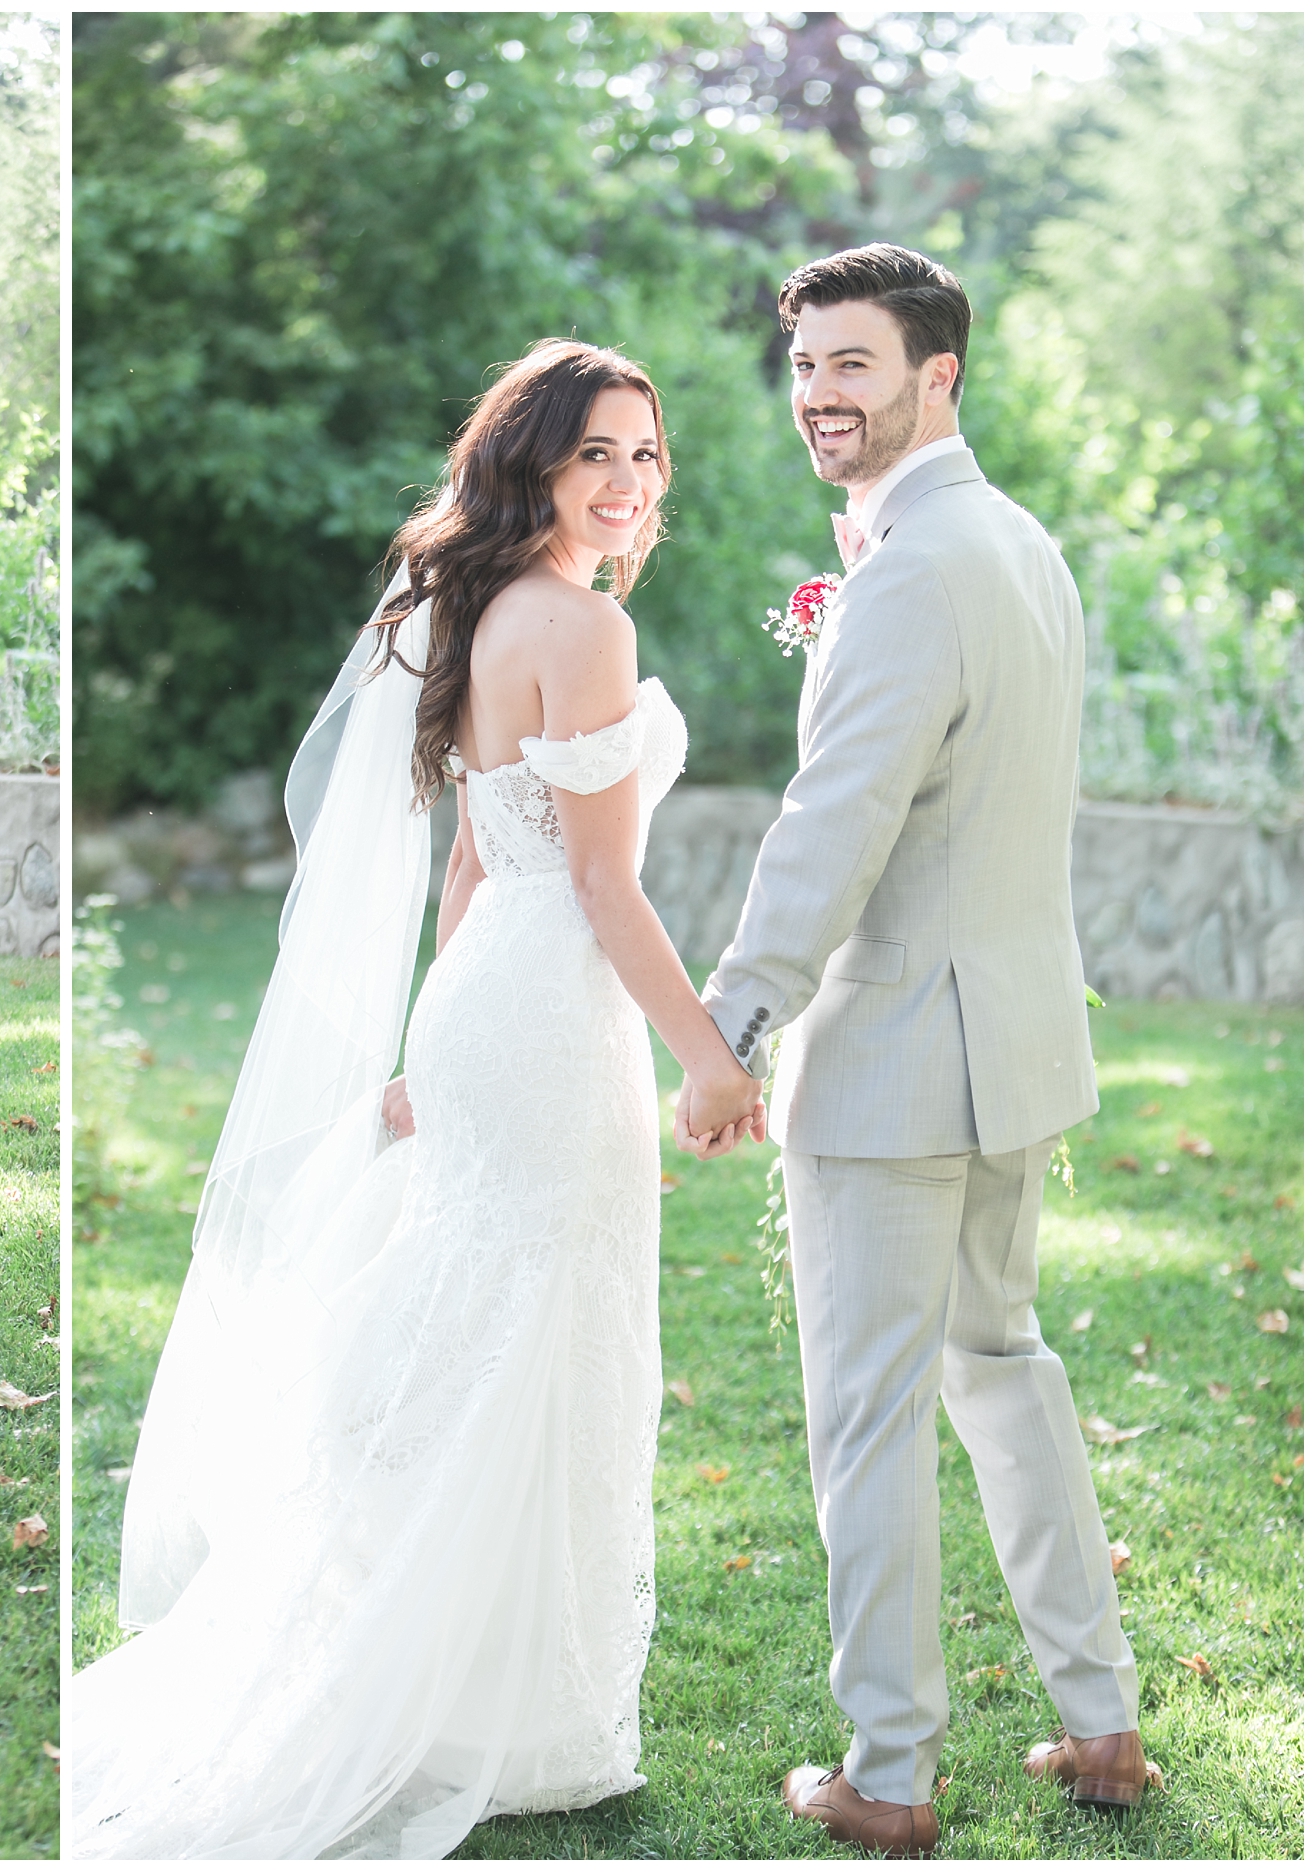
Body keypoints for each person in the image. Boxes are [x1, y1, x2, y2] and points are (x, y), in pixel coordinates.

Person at [70, 340, 762, 1859]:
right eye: (597, 453)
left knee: (490, 1324)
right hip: (549, 1007)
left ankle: (465, 1687)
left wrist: (424, 1043)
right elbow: (599, 884)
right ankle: (492, 1710)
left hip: (490, 1004)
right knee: (537, 1333)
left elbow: (472, 858)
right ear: (531, 464)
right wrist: (704, 1047)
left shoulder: (475, 608)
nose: (630, 481)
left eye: (646, 454)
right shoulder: (575, 626)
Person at [684, 244, 1144, 1855]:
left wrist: (730, 1025)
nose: (819, 392)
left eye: (854, 363)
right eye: (805, 364)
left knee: (870, 1416)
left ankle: (888, 1772)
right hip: (1013, 1052)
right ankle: (1099, 1726)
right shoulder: (1022, 545)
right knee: (1004, 1374)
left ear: (937, 375)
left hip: (892, 1059)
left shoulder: (912, 569)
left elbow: (835, 829)